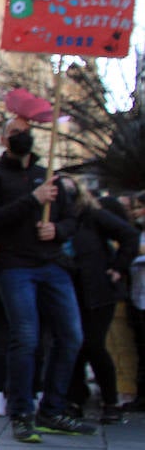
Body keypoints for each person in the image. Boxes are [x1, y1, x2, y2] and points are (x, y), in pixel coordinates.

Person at [0, 117, 93, 441]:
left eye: (25, 132)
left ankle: (53, 408)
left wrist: (58, 230)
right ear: (3, 140)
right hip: (14, 266)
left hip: (52, 263)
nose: (21, 137)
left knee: (71, 336)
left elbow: (72, 219)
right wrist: (32, 201)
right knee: (25, 338)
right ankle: (22, 412)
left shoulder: (49, 178)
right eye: (15, 133)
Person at [63, 177, 138, 424]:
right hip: (70, 290)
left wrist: (118, 267)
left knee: (94, 344)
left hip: (97, 291)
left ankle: (109, 401)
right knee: (75, 345)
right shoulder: (56, 219)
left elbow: (128, 234)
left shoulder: (93, 216)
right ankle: (75, 398)